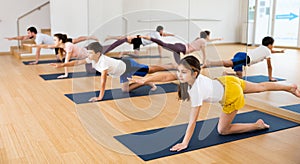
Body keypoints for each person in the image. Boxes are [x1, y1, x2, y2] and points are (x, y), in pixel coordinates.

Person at [140, 55, 298, 152]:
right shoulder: (193, 77)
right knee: (260, 87)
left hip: (230, 94)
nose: (179, 75)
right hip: (227, 81)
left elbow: (193, 120)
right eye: (179, 71)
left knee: (223, 130)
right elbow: (166, 77)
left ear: (194, 73)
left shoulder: (196, 90)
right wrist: (145, 79)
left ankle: (257, 125)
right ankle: (289, 87)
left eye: (183, 72)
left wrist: (185, 142)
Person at [50, 42, 177, 101]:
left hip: (128, 66)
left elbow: (103, 81)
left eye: (90, 53)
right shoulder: (92, 58)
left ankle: (171, 65)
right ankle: (145, 82)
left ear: (98, 53)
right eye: (88, 52)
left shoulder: (103, 62)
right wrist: (61, 66)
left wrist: (100, 97)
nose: (88, 55)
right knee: (125, 90)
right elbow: (76, 62)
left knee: (150, 69)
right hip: (122, 71)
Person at [202, 36, 285, 81]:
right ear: (270, 45)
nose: (273, 47)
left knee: (239, 77)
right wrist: (270, 77)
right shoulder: (268, 51)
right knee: (227, 63)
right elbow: (269, 66)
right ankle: (209, 63)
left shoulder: (264, 48)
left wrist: (279, 52)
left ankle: (226, 74)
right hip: (245, 58)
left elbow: (271, 51)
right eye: (273, 45)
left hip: (242, 55)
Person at [140, 30, 222, 64]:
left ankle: (178, 65)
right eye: (209, 36)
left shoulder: (199, 39)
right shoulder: (203, 42)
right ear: (207, 36)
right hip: (182, 48)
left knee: (177, 59)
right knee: (164, 44)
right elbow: (204, 53)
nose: (209, 38)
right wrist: (204, 63)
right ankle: (150, 38)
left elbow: (208, 40)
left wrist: (217, 39)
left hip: (181, 46)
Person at [104, 25, 175, 57]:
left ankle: (110, 37)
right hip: (138, 41)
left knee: (124, 39)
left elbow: (164, 34)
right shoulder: (157, 35)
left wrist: (171, 35)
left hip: (138, 39)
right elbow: (160, 44)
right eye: (163, 31)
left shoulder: (155, 33)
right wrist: (161, 55)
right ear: (161, 30)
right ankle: (123, 52)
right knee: (136, 54)